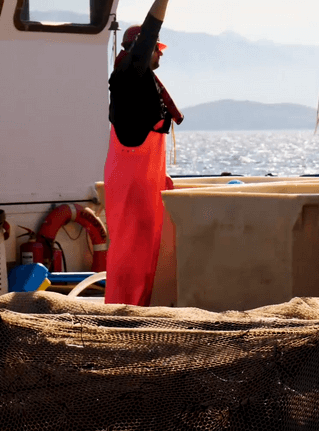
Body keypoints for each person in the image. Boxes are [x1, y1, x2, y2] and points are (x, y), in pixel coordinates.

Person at [104, 0, 183, 306]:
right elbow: (149, 32)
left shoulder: (139, 81)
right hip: (133, 181)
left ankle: (136, 310)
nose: (159, 52)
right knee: (131, 254)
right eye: (156, 48)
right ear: (140, 49)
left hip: (142, 180)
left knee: (146, 251)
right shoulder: (129, 72)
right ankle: (123, 314)